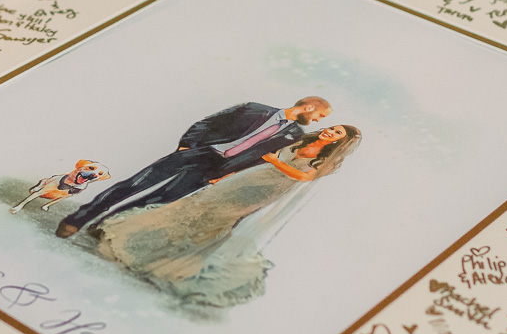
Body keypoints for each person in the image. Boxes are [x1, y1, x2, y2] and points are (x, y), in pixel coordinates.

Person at [94, 124, 363, 305]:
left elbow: (304, 176)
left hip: (263, 192)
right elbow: (259, 159)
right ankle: (138, 246)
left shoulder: (324, 161)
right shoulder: (301, 140)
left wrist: (277, 162)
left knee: (213, 223)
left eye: (337, 133)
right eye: (331, 127)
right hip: (246, 180)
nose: (330, 132)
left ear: (342, 142)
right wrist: (230, 175)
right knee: (191, 208)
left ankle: (171, 266)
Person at [54, 96, 332, 238]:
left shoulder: (294, 135)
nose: (319, 121)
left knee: (159, 199)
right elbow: (207, 123)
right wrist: (187, 146)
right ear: (308, 107)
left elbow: (260, 157)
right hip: (195, 153)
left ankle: (104, 226)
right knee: (133, 186)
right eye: (320, 115)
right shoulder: (253, 107)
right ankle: (77, 219)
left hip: (216, 169)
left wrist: (227, 174)